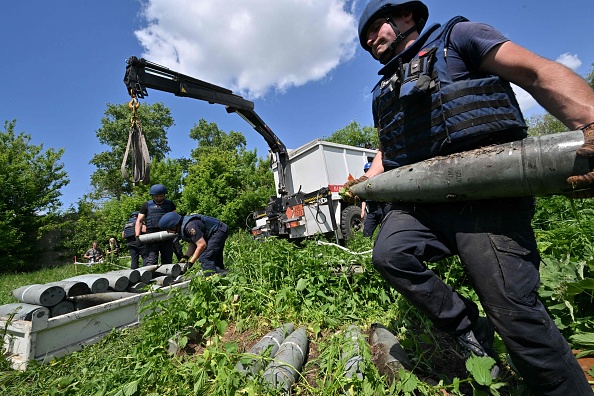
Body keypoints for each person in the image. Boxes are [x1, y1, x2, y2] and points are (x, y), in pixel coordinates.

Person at [343, 1, 594, 394]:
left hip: (484, 195)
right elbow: (386, 148)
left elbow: (534, 71)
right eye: (366, 37)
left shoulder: (458, 38)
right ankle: (465, 326)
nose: (371, 39)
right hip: (421, 203)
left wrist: (589, 121)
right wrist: (363, 184)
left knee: (516, 318)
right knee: (390, 255)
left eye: (375, 27)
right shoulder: (383, 89)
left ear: (406, 15)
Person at [158, 212, 229, 276]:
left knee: (205, 257)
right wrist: (186, 257)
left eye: (168, 229)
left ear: (174, 225)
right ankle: (222, 275)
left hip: (219, 231)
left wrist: (191, 262)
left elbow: (202, 245)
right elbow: (193, 243)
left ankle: (211, 280)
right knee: (214, 255)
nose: (168, 232)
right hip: (216, 232)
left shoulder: (190, 227)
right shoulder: (183, 227)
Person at [135, 184, 177, 266]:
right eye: (156, 196)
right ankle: (150, 277)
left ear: (164, 195)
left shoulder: (170, 204)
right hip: (151, 236)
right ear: (153, 196)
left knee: (167, 260)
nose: (158, 198)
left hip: (167, 234)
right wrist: (137, 235)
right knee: (151, 260)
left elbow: (175, 218)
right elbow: (139, 220)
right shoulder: (146, 205)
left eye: (160, 196)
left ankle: (167, 278)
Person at [360, 162, 384, 237]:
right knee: (366, 232)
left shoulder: (380, 180)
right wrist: (362, 211)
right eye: (366, 170)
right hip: (372, 211)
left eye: (368, 170)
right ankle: (367, 244)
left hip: (382, 208)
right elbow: (363, 199)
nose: (367, 172)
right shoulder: (365, 183)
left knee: (384, 230)